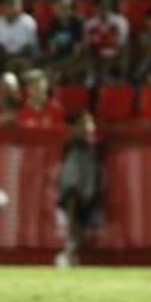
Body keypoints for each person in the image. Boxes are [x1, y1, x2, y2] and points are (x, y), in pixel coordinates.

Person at [55, 112, 102, 268]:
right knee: (72, 209)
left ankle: (71, 253)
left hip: (88, 189)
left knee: (82, 225)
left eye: (89, 123)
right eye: (83, 124)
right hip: (72, 187)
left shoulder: (94, 148)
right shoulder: (71, 145)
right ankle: (69, 252)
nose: (87, 127)